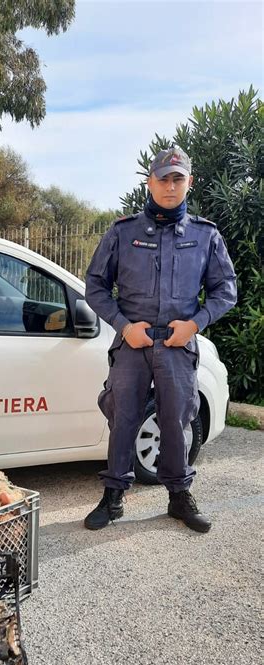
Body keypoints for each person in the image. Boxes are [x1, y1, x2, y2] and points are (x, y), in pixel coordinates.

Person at [84, 146, 237, 533]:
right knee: (123, 420)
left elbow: (225, 290)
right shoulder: (124, 231)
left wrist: (195, 324)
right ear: (150, 182)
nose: (171, 186)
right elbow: (96, 286)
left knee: (176, 420)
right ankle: (114, 496)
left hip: (176, 345)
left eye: (178, 179)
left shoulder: (205, 235)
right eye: (164, 178)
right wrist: (123, 326)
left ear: (189, 183)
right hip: (132, 345)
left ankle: (179, 497)